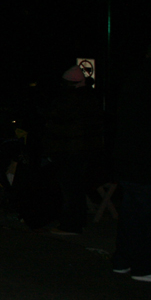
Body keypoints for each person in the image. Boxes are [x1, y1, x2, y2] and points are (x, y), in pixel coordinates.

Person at [112, 40, 151, 282]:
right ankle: (146, 267)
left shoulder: (135, 78)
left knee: (132, 215)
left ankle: (123, 261)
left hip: (129, 159)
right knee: (149, 217)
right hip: (147, 161)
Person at [40, 65, 104, 235]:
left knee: (70, 189)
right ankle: (77, 222)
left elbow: (59, 124)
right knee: (76, 188)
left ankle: (71, 225)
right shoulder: (90, 98)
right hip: (83, 151)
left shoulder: (70, 100)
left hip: (69, 151)